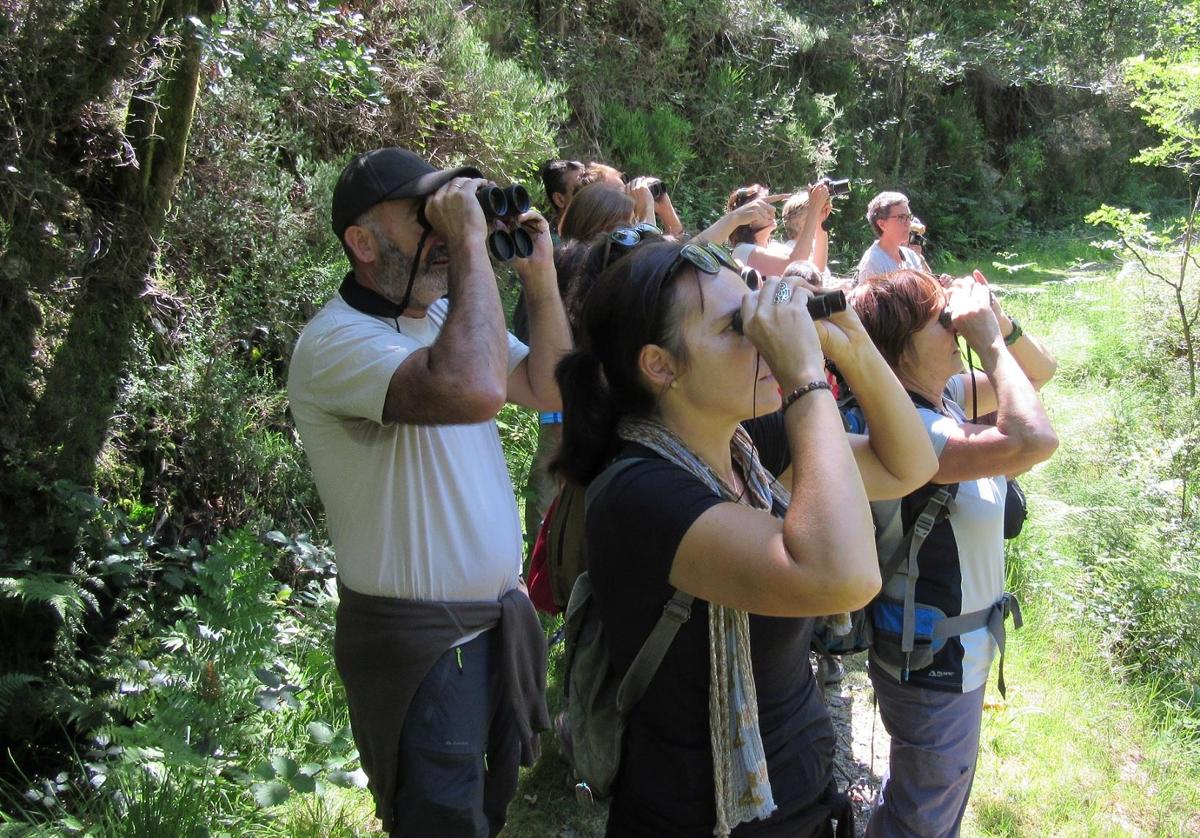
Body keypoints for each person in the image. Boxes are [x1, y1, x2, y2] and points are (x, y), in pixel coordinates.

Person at [553, 230, 938, 836]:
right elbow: (842, 577)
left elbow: (909, 466)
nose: (763, 334)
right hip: (703, 813)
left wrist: (851, 340)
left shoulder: (747, 448)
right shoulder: (637, 494)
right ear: (660, 365)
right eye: (738, 327)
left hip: (801, 789)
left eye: (760, 310)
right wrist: (806, 379)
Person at [287, 147, 572, 837]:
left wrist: (540, 281)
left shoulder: (445, 320)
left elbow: (550, 390)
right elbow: (473, 390)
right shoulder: (335, 342)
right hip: (425, 650)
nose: (446, 232)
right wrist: (474, 244)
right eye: (427, 218)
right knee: (442, 823)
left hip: (488, 629)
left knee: (483, 812)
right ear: (361, 242)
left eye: (451, 212)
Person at [849, 269, 1058, 838]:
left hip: (952, 652)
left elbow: (1039, 373)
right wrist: (987, 341)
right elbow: (1033, 440)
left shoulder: (940, 397)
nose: (954, 326)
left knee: (926, 806)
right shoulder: (913, 429)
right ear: (901, 348)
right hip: (934, 660)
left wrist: (1001, 325)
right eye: (940, 320)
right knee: (920, 822)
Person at [725, 182, 828, 275]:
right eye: (763, 206)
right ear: (747, 219)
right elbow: (795, 265)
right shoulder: (743, 251)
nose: (772, 209)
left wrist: (820, 222)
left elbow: (816, 270)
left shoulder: (775, 248)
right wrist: (814, 209)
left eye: (769, 204)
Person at [855, 191, 925, 282]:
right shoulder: (873, 263)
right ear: (882, 224)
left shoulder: (911, 256)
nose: (908, 223)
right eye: (901, 217)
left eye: (909, 217)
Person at [781, 186, 833, 283]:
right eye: (812, 211)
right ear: (796, 219)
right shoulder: (787, 250)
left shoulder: (814, 246)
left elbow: (819, 270)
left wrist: (821, 221)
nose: (815, 214)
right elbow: (809, 276)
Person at [539, 158, 585, 235]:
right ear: (559, 200)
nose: (589, 194)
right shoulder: (547, 243)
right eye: (579, 189)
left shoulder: (602, 230)